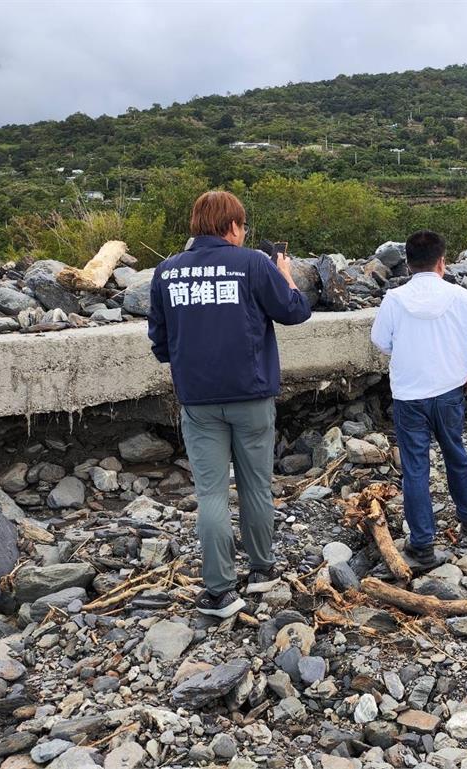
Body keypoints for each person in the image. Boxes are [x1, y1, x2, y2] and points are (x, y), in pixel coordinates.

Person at [147, 190, 311, 617]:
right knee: (256, 485)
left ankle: (219, 591)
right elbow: (294, 312)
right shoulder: (253, 263)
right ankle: (260, 571)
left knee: (211, 493)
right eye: (242, 225)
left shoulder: (166, 272)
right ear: (232, 226)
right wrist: (287, 276)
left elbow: (161, 345)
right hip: (251, 395)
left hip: (198, 400)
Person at [371, 230, 467, 567]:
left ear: (408, 264)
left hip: (409, 395)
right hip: (449, 391)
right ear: (442, 261)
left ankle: (422, 544)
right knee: (455, 451)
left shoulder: (395, 299)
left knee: (415, 469)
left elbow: (380, 340)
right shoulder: (460, 297)